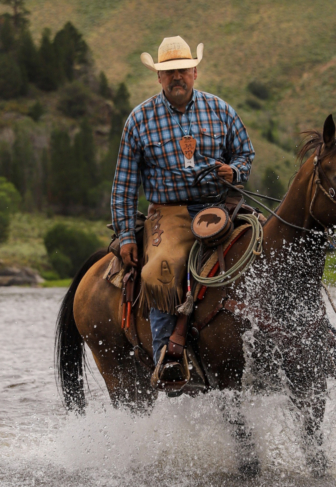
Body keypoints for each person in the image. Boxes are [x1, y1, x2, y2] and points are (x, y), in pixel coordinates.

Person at [110, 36, 255, 387]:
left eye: (183, 70)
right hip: (169, 213)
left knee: (266, 245)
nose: (177, 77)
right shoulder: (140, 119)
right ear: (159, 77)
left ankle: (301, 335)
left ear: (195, 71)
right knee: (159, 273)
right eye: (169, 72)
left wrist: (232, 172)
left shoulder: (220, 110)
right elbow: (124, 185)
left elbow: (245, 155)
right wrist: (127, 235)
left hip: (218, 207)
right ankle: (168, 360)